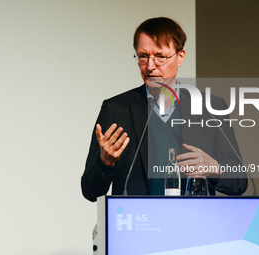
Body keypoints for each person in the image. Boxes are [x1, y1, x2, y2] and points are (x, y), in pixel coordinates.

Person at [81, 17, 248, 202]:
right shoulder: (116, 109)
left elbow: (240, 182)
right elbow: (89, 190)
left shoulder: (211, 108)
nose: (150, 66)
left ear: (180, 57)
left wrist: (215, 168)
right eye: (143, 56)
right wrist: (105, 163)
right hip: (138, 225)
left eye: (160, 57)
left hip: (194, 223)